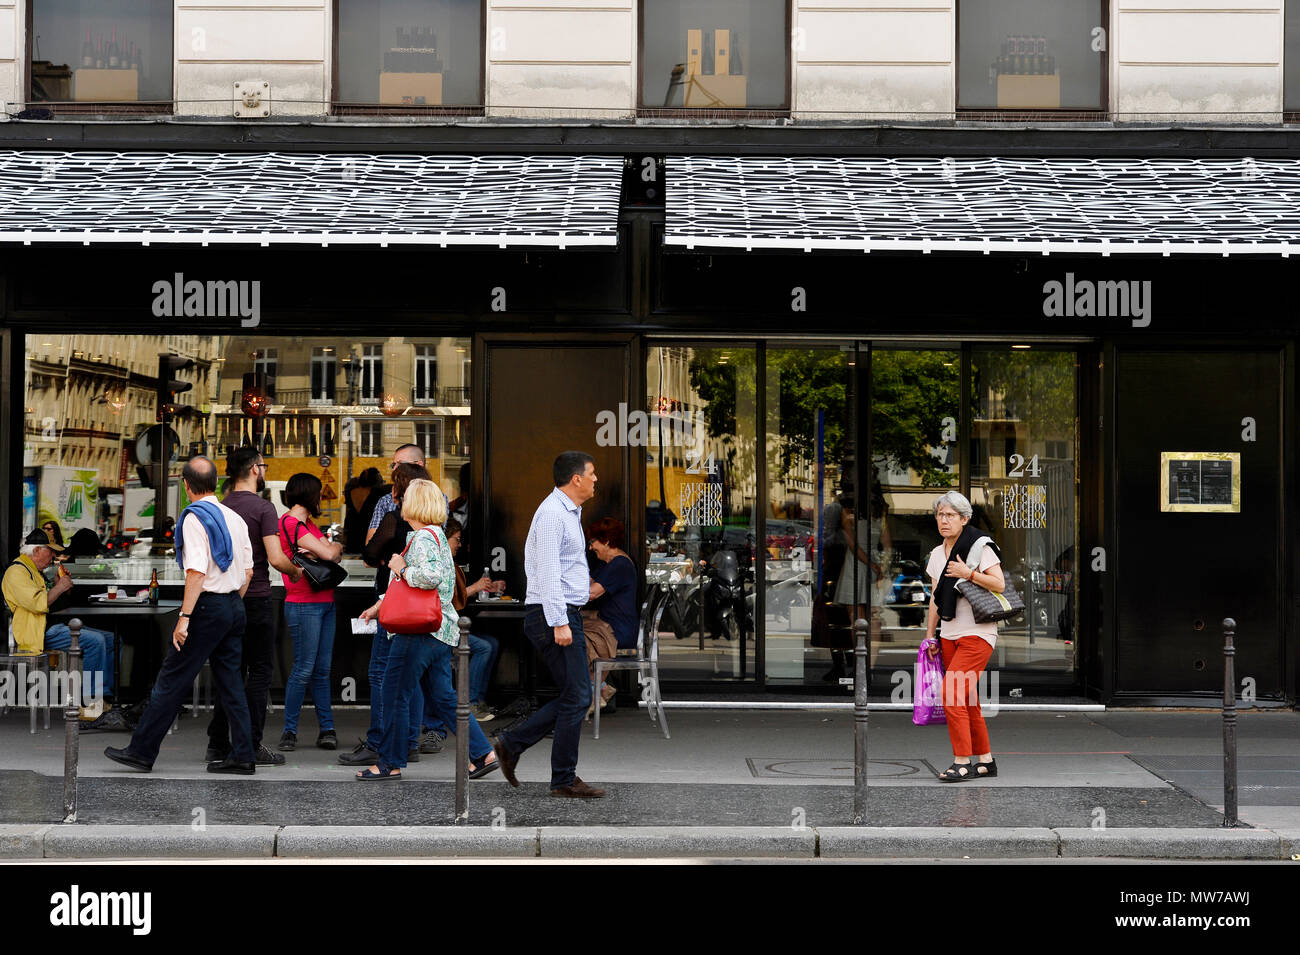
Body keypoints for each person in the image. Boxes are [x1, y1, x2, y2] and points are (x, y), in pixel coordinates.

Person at [104, 456, 257, 773]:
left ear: (186, 486)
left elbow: (196, 573)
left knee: (172, 679)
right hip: (232, 604)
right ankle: (243, 754)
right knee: (230, 684)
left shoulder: (193, 519)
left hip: (207, 607)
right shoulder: (235, 518)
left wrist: (185, 617)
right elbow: (249, 572)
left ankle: (141, 751)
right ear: (216, 482)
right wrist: (231, 602)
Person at [354, 479, 499, 781]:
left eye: (405, 497)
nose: (400, 502)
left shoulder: (423, 538)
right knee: (444, 698)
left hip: (418, 632)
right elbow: (415, 589)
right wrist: (379, 607)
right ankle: (483, 753)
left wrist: (400, 567)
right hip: (438, 631)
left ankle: (388, 763)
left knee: (395, 694)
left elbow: (429, 578)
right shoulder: (433, 536)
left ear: (415, 503)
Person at [491, 451, 605, 799]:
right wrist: (559, 621)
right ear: (576, 479)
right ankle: (559, 776)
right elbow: (548, 572)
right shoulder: (554, 514)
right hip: (552, 615)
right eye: (592, 473)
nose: (596, 478)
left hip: (560, 612)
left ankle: (518, 749)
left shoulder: (567, 511)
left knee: (576, 694)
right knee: (578, 695)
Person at [205, 447, 304, 767]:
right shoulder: (263, 508)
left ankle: (218, 743)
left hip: (226, 598)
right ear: (252, 470)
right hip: (258, 597)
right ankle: (252, 743)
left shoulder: (219, 507)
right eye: (263, 466)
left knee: (229, 671)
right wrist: (295, 570)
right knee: (260, 673)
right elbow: (275, 558)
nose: (264, 471)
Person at [343, 462, 434, 766]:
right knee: (412, 677)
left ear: (402, 489)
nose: (392, 491)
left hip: (394, 604)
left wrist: (386, 560)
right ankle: (408, 741)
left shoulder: (395, 520)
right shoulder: (432, 527)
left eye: (395, 485)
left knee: (381, 672)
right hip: (421, 610)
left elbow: (369, 554)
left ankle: (379, 741)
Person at [924, 490, 1005, 782]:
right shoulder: (936, 554)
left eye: (950, 515)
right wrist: (930, 636)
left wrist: (967, 573)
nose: (943, 521)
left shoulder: (980, 547)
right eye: (940, 515)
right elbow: (935, 598)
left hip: (978, 632)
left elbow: (999, 583)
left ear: (964, 518)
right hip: (949, 633)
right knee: (967, 699)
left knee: (951, 693)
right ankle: (985, 761)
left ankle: (962, 761)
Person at [3, 528, 117, 723]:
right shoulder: (17, 572)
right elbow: (38, 603)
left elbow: (51, 600)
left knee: (111, 638)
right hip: (38, 631)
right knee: (96, 641)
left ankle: (103, 697)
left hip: (51, 625)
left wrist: (56, 584)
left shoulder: (34, 570)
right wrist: (59, 587)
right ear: (37, 550)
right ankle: (89, 705)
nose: (54, 556)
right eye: (51, 551)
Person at [277, 472, 343, 752]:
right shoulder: (290, 523)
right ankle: (289, 731)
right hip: (304, 603)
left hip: (325, 601)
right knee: (304, 669)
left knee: (321, 670)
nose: (321, 499)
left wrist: (329, 548)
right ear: (309, 495)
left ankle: (327, 729)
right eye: (319, 494)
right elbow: (331, 554)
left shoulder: (307, 525)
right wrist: (329, 548)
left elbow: (332, 551)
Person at [584, 516, 637, 715]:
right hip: (611, 624)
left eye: (592, 542)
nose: (591, 548)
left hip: (618, 630)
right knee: (571, 632)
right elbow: (589, 581)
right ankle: (601, 687)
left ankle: (594, 692)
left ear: (606, 540)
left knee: (574, 638)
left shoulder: (619, 564)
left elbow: (591, 593)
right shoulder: (608, 563)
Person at [344, 467, 383, 554]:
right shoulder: (377, 493)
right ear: (376, 480)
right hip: (367, 527)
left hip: (352, 527)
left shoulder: (349, 492)